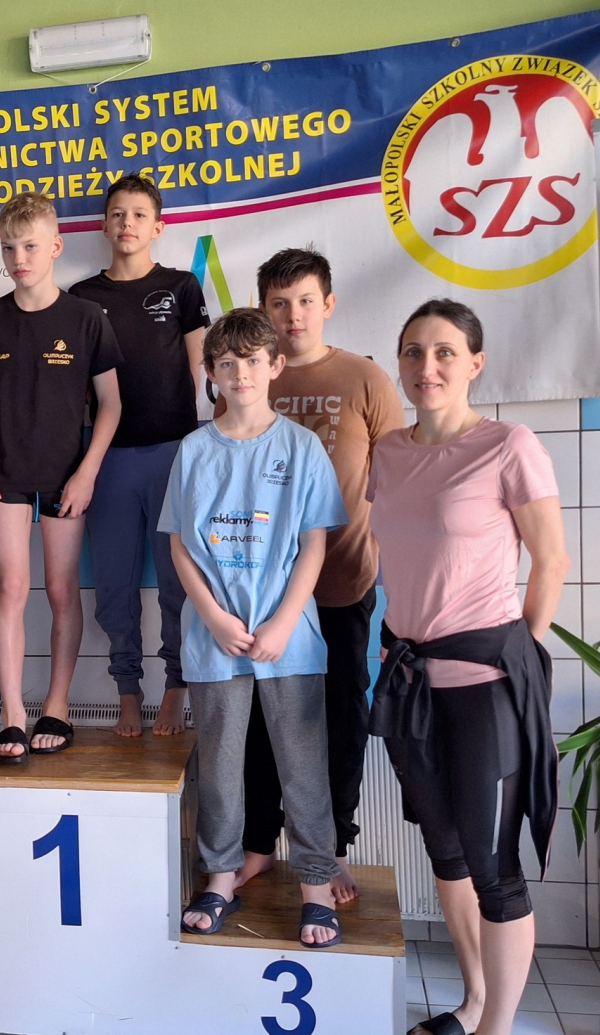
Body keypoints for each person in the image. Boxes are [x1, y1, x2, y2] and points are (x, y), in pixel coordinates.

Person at [368, 299, 568, 1035]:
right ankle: (476, 1002)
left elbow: (550, 558)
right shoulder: (388, 452)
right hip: (411, 683)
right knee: (445, 853)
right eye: (414, 351)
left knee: (493, 868)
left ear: (475, 363)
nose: (428, 367)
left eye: (446, 352)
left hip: (485, 687)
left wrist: (521, 655)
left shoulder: (508, 445)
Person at [160, 308, 348, 947]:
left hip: (288, 638)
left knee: (303, 764)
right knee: (218, 764)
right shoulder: (193, 450)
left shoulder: (301, 447)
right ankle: (219, 877)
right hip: (214, 638)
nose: (239, 373)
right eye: (226, 363)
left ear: (275, 366)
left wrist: (284, 621)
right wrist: (213, 617)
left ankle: (316, 886)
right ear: (210, 374)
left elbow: (315, 543)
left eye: (251, 361)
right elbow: (180, 544)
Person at [232, 247, 404, 903]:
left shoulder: (365, 379)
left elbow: (399, 483)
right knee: (257, 723)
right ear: (263, 309)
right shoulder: (251, 377)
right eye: (279, 304)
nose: (293, 315)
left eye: (305, 301)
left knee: (337, 722)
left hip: (342, 584)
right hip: (261, 593)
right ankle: (256, 844)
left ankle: (329, 852)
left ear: (328, 304)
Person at [0, 192, 123, 762]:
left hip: (66, 475)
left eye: (29, 246)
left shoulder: (86, 318)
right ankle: (12, 715)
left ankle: (57, 706)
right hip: (4, 472)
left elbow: (111, 404)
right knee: (9, 588)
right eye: (9, 248)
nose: (19, 258)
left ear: (55, 246)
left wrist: (87, 472)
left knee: (60, 590)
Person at [69, 176, 209, 738]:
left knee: (178, 582)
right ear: (104, 225)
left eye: (139, 214)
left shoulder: (181, 287)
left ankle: (176, 685)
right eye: (117, 214)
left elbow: (201, 374)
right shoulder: (81, 297)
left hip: (175, 454)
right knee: (114, 589)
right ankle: (127, 690)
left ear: (158, 226)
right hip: (108, 460)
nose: (127, 223)